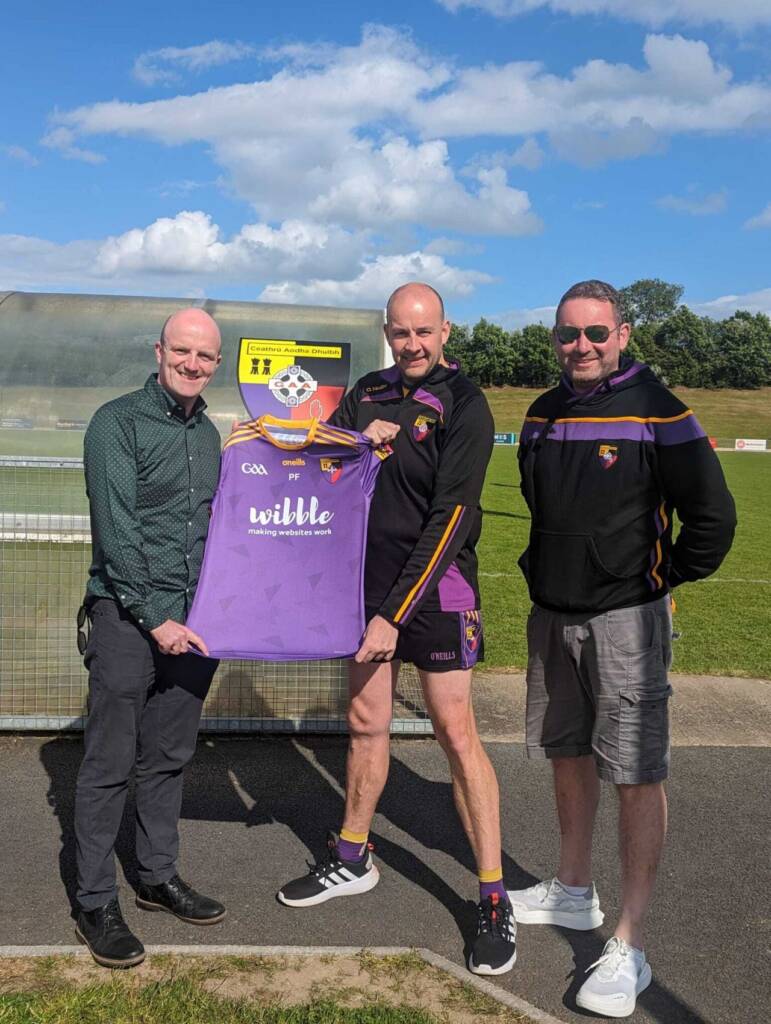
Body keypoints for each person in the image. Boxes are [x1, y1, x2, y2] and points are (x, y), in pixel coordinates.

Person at [510, 280, 736, 1017]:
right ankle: (573, 889)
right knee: (567, 754)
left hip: (626, 622)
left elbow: (712, 516)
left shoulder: (659, 410)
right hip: (553, 613)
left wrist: (657, 579)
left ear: (623, 334)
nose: (581, 346)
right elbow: (540, 501)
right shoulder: (542, 411)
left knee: (635, 774)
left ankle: (629, 943)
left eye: (595, 333)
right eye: (568, 333)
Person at [277, 282, 516, 977]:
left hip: (436, 594)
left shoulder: (465, 403)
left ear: (445, 331)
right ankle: (352, 857)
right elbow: (324, 467)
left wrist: (393, 613)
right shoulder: (368, 392)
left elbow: (453, 518)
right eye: (401, 332)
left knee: (454, 733)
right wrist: (357, 439)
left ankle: (492, 895)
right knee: (365, 724)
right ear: (388, 332)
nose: (412, 344)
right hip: (368, 593)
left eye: (424, 331)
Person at [74, 308, 226, 968]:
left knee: (168, 756)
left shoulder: (211, 435)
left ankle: (156, 876)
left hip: (194, 623)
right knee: (110, 762)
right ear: (158, 351)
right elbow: (117, 529)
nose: (192, 363)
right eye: (182, 351)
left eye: (205, 356)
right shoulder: (117, 423)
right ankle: (94, 901)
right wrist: (153, 617)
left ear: (216, 363)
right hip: (127, 616)